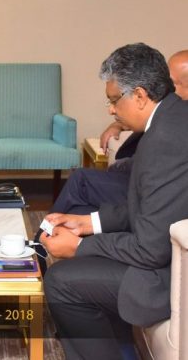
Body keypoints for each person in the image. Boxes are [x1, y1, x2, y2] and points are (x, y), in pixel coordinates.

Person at [41, 43, 188, 359]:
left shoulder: (164, 141)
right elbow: (150, 208)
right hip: (167, 250)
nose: (110, 110)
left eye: (113, 100)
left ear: (139, 96)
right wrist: (88, 223)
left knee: (61, 281)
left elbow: (150, 250)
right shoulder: (173, 118)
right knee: (80, 248)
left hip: (171, 274)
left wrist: (79, 246)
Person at [48, 49, 188, 216]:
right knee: (77, 209)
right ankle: (49, 230)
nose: (162, 85)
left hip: (149, 192)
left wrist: (91, 229)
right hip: (139, 177)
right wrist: (119, 124)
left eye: (171, 82)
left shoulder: (170, 131)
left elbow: (152, 220)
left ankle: (47, 231)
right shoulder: (168, 110)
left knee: (81, 182)